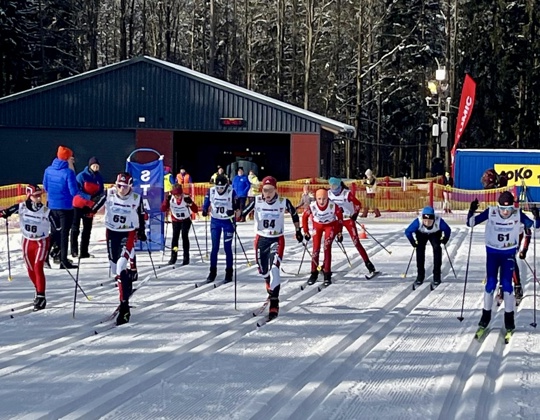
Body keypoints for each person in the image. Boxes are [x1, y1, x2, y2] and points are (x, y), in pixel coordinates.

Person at [467, 191, 539, 335]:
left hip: (508, 254)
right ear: (498, 206)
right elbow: (471, 223)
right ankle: (485, 318)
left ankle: (509, 321)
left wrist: (537, 215)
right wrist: (471, 210)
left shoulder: (517, 214)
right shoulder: (491, 212)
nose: (506, 212)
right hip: (493, 253)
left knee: (507, 285)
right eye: (503, 208)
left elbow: (535, 226)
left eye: (509, 208)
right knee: (491, 284)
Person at [241, 176, 303, 320]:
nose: (267, 194)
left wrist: (298, 231)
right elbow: (242, 213)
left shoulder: (283, 202)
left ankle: (274, 303)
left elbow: (294, 215)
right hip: (261, 239)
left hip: (277, 239)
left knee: (275, 268)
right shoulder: (257, 201)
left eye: (270, 190)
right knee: (263, 271)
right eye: (264, 190)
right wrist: (235, 217)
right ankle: (269, 286)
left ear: (276, 190)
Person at [0, 185, 53, 311]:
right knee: (30, 269)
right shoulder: (22, 207)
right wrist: (4, 214)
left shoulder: (46, 210)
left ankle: (41, 296)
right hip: (27, 241)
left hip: (41, 241)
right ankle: (38, 289)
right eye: (36, 196)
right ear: (29, 196)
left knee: (38, 266)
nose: (39, 198)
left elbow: (57, 227)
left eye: (40, 195)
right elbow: (6, 212)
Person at [104, 172, 147, 325]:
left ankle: (124, 307)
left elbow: (141, 215)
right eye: (119, 186)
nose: (121, 189)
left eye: (124, 186)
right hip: (112, 233)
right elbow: (94, 205)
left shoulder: (136, 198)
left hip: (127, 233)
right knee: (115, 268)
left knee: (121, 264)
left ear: (130, 186)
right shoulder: (109, 194)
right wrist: (83, 211)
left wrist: (141, 230)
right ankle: (126, 277)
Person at [328, 177, 378, 277]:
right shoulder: (329, 193)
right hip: (336, 220)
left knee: (356, 242)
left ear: (338, 185)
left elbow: (358, 204)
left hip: (348, 219)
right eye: (330, 185)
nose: (332, 187)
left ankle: (369, 264)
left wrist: (355, 214)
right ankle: (325, 266)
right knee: (328, 241)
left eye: (334, 185)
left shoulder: (346, 193)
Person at [43, 145, 79, 269]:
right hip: (66, 207)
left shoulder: (48, 170)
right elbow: (73, 191)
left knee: (54, 233)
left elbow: (46, 187)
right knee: (64, 234)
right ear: (67, 158)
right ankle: (63, 260)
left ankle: (44, 256)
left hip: (52, 206)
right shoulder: (68, 173)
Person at [202, 174, 240, 283]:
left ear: (226, 186)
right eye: (218, 187)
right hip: (215, 221)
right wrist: (204, 210)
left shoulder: (231, 192)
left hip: (228, 222)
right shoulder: (211, 191)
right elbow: (206, 203)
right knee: (215, 248)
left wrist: (233, 211)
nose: (219, 190)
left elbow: (238, 211)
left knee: (227, 248)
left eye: (222, 188)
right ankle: (212, 272)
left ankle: (229, 272)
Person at [302, 188, 344, 286]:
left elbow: (340, 218)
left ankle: (327, 274)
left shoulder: (333, 206)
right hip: (317, 226)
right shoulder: (312, 206)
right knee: (315, 249)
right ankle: (314, 273)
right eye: (319, 199)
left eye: (324, 199)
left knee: (327, 247)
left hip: (330, 225)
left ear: (327, 198)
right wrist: (306, 231)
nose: (321, 201)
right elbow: (304, 217)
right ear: (316, 198)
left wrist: (339, 232)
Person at [405, 206, 451, 286]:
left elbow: (447, 230)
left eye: (430, 220)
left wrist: (445, 239)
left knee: (437, 248)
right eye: (425, 220)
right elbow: (407, 232)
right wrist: (413, 242)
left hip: (435, 233)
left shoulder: (439, 222)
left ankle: (437, 276)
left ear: (434, 219)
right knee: (419, 250)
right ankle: (420, 276)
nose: (427, 223)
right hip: (421, 233)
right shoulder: (417, 222)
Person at [71, 156, 105, 258]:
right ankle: (74, 250)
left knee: (87, 229)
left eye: (97, 166)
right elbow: (77, 190)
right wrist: (89, 197)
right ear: (90, 166)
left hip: (90, 206)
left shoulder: (99, 177)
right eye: (94, 165)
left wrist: (98, 198)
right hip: (78, 205)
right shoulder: (81, 176)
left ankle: (84, 251)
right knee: (75, 228)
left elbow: (101, 190)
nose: (95, 167)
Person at [160, 183, 199, 265]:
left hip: (185, 220)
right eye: (176, 195)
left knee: (184, 236)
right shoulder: (171, 198)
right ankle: (173, 256)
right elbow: (163, 209)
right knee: (175, 238)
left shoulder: (186, 198)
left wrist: (191, 203)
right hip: (176, 220)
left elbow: (195, 210)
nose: (178, 197)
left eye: (179, 195)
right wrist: (166, 201)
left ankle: (186, 257)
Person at [496, 224, 530, 306]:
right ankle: (503, 287)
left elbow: (528, 233)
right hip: (503, 236)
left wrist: (524, 249)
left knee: (509, 258)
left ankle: (517, 287)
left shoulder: (521, 216)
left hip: (516, 236)